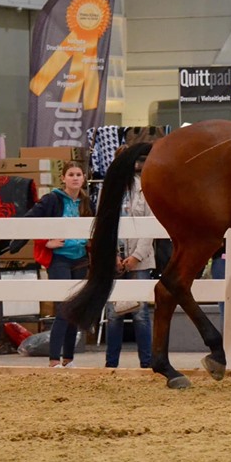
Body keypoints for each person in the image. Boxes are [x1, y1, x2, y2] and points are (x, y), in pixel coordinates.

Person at [13, 161, 93, 368]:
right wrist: (46, 242)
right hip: (59, 259)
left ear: (83, 178)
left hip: (81, 258)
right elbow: (33, 219)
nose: (75, 178)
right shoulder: (52, 199)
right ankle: (54, 359)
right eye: (71, 174)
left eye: (78, 174)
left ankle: (68, 359)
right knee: (63, 308)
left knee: (75, 309)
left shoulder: (87, 202)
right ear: (64, 178)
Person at [104, 146, 153, 369]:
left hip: (139, 258)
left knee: (140, 313)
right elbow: (103, 222)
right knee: (114, 313)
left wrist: (136, 256)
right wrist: (112, 254)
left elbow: (151, 225)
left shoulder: (146, 187)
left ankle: (148, 362)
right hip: (114, 256)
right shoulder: (110, 188)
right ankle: (111, 364)